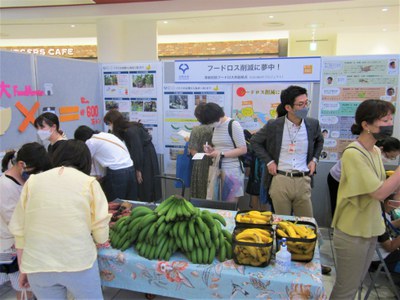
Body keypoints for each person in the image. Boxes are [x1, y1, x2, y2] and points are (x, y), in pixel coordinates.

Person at [9, 140, 110, 299]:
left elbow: (19, 230)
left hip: (38, 265)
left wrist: (23, 269)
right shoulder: (89, 182)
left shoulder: (33, 181)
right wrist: (98, 239)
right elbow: (100, 231)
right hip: (78, 263)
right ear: (86, 161)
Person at [330, 99, 400, 299]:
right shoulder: (353, 153)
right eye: (384, 120)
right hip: (352, 230)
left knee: (357, 283)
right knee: (347, 288)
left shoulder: (376, 150)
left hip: (370, 228)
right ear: (366, 125)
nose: (389, 124)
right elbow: (378, 192)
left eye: (390, 119)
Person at [250, 85, 324, 218]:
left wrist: (314, 160)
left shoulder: (313, 124)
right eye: (301, 104)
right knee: (282, 224)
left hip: (303, 179)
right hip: (280, 180)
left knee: (307, 223)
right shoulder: (274, 125)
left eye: (306, 103)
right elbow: (255, 141)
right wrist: (269, 161)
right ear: (288, 108)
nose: (305, 107)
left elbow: (320, 141)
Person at [0, 143, 51, 300]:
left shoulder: (25, 180)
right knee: (23, 289)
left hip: (27, 242)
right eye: (34, 171)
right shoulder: (5, 185)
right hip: (13, 247)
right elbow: (13, 222)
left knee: (30, 287)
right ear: (22, 164)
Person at [328, 136, 400, 218]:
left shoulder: (375, 155)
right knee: (339, 208)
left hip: (352, 180)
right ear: (381, 149)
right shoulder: (364, 154)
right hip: (337, 178)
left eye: (392, 158)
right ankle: (337, 228)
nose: (389, 160)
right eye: (388, 156)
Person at [104, 109, 161, 202]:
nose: (109, 126)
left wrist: (138, 170)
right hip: (141, 154)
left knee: (144, 182)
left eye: (108, 123)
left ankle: (146, 203)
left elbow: (137, 150)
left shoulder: (130, 131)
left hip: (145, 156)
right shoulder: (125, 128)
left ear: (114, 122)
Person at [197, 102, 247, 203]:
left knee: (230, 203)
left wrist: (221, 154)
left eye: (210, 122)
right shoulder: (215, 127)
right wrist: (212, 150)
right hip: (217, 168)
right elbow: (220, 147)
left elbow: (243, 149)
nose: (210, 125)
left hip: (232, 170)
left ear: (217, 116)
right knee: (215, 200)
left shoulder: (233, 125)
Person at [74, 125, 137, 201]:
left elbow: (85, 161)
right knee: (130, 201)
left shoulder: (90, 142)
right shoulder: (105, 135)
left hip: (117, 173)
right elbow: (98, 159)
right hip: (130, 168)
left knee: (115, 203)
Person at [188, 103, 213, 199]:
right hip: (213, 162)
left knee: (199, 193)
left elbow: (193, 151)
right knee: (211, 191)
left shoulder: (196, 130)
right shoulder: (215, 128)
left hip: (200, 164)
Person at [369, 199, 400, 275]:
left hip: (380, 253)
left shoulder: (380, 212)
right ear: (389, 202)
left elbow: (387, 226)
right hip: (379, 258)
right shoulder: (378, 219)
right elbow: (390, 247)